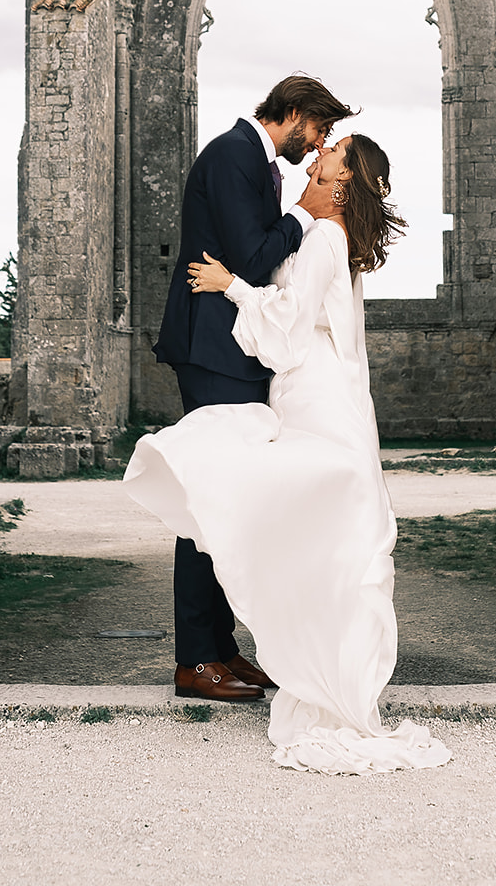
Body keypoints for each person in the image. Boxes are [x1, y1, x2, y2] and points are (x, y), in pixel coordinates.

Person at [127, 134, 453, 775]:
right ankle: (287, 655)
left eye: (337, 150)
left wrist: (232, 287)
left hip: (311, 386)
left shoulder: (328, 239)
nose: (324, 149)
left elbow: (290, 327)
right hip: (319, 386)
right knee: (318, 529)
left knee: (306, 520)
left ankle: (313, 670)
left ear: (345, 176)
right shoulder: (333, 237)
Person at [152, 74, 354, 703]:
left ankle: (221, 647)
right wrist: (305, 213)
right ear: (293, 114)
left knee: (229, 498)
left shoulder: (253, 161)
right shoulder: (233, 153)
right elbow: (249, 251)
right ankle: (195, 660)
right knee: (206, 499)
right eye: (318, 129)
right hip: (212, 350)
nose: (318, 143)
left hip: (233, 351)